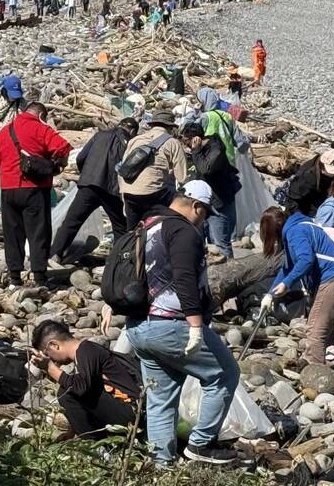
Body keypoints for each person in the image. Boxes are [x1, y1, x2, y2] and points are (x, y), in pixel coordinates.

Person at [126, 181, 240, 465]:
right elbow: (184, 277)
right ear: (197, 207)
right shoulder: (183, 231)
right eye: (205, 213)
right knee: (225, 374)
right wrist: (195, 326)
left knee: (160, 399)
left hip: (140, 327)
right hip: (171, 324)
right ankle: (201, 444)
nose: (205, 220)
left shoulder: (148, 224)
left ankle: (161, 465)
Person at [262, 206, 334, 365]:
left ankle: (315, 372)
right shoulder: (305, 224)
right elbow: (287, 268)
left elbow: (306, 260)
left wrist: (287, 284)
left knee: (315, 332)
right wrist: (270, 294)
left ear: (274, 230)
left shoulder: (294, 232)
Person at [0, 102, 71, 288]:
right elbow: (63, 148)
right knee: (38, 232)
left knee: (12, 233)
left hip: (9, 189)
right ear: (41, 115)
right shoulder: (42, 129)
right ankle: (39, 277)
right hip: (35, 188)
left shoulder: (6, 130)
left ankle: (15, 276)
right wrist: (59, 165)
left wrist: (9, 169)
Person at [30, 320, 141, 439]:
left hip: (133, 411)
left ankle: (95, 444)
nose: (52, 360)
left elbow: (80, 389)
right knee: (69, 388)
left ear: (54, 345)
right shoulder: (85, 352)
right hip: (126, 410)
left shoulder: (86, 351)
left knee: (66, 393)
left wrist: (49, 367)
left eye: (48, 355)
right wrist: (72, 431)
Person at [49, 118, 139, 265]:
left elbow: (81, 157)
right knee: (120, 227)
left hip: (89, 185)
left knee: (71, 222)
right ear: (133, 131)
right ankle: (119, 262)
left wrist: (86, 173)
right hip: (111, 190)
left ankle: (55, 254)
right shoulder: (130, 143)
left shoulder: (100, 135)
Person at [119, 110, 187, 230]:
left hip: (129, 192)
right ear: (170, 127)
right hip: (154, 194)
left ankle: (131, 240)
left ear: (152, 125)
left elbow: (122, 169)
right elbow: (182, 178)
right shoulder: (173, 143)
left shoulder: (135, 140)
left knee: (133, 231)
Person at [180, 122, 241, 258]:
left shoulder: (215, 149)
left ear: (195, 139)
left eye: (186, 141)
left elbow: (205, 169)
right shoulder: (200, 150)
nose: (186, 145)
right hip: (204, 202)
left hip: (218, 203)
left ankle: (229, 269)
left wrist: (196, 150)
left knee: (221, 243)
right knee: (202, 242)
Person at [282, 148, 334, 215]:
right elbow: (292, 199)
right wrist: (299, 216)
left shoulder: (327, 173)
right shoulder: (308, 176)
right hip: (302, 205)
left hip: (317, 197)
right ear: (323, 165)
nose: (333, 174)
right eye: (331, 171)